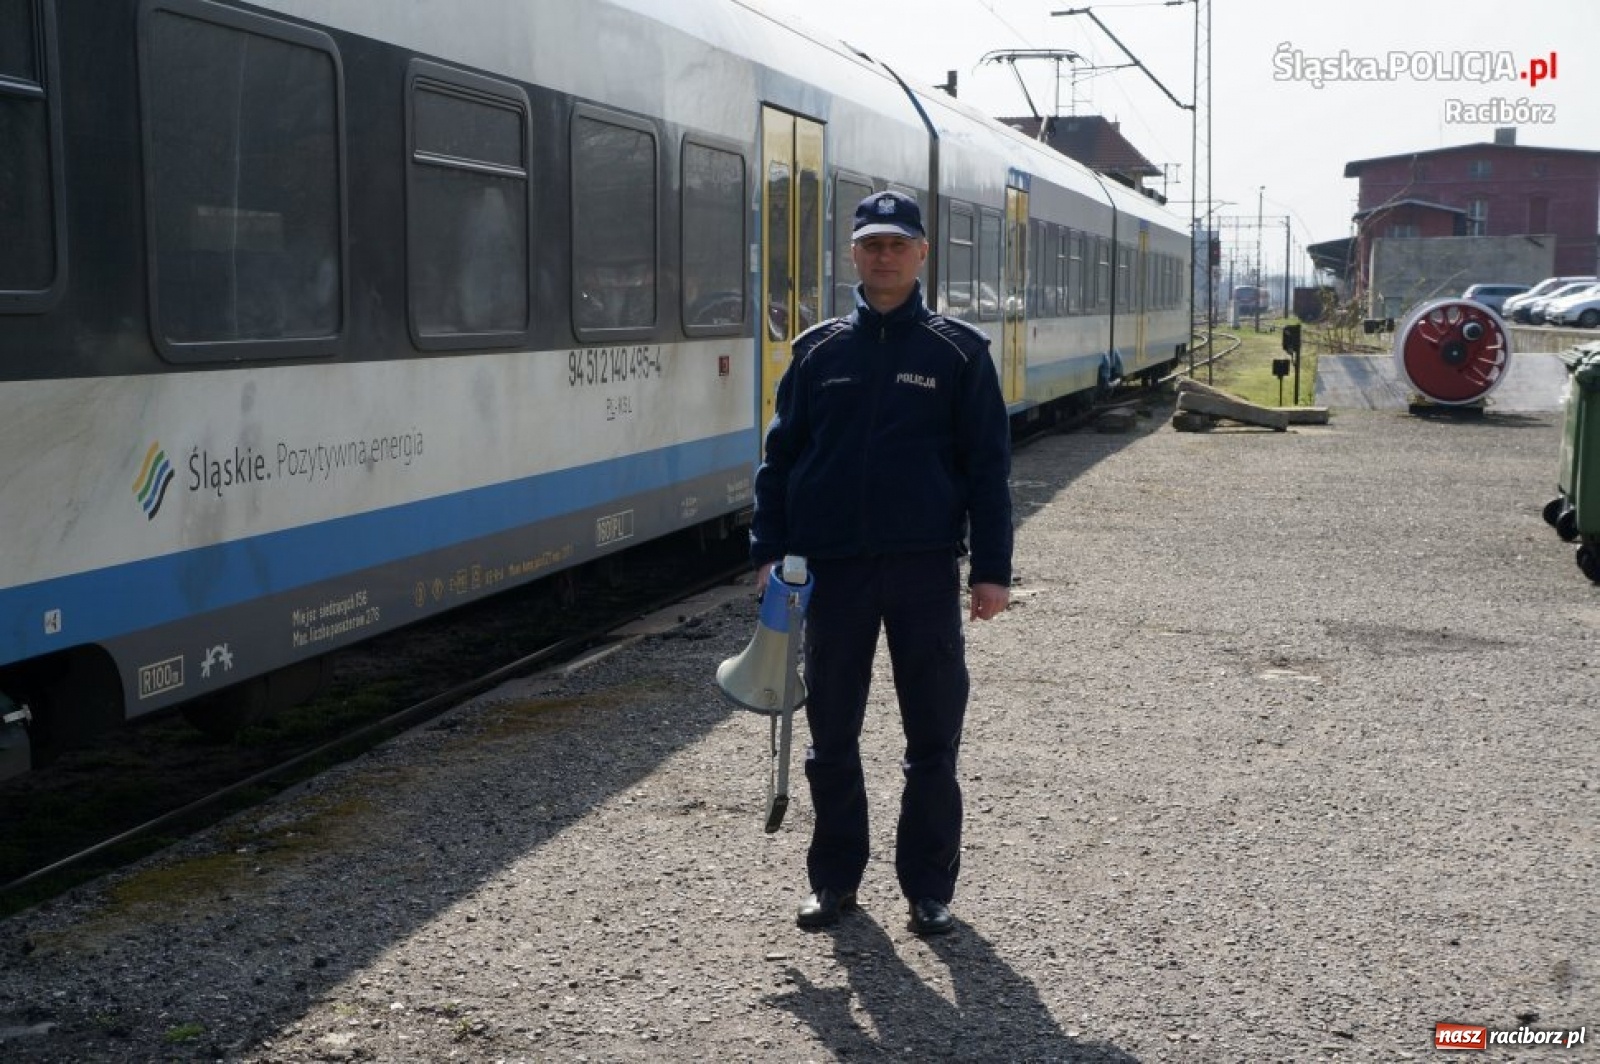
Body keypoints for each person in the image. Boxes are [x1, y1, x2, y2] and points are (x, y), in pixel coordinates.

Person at [750, 190, 1014, 936]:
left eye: (898, 244)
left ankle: (929, 889)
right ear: (854, 255)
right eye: (871, 245)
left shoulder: (958, 353)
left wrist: (991, 571)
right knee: (831, 734)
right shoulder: (818, 351)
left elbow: (987, 471)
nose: (884, 256)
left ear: (922, 253)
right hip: (831, 573)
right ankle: (833, 881)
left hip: (924, 570)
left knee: (932, 737)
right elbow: (780, 462)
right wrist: (768, 553)